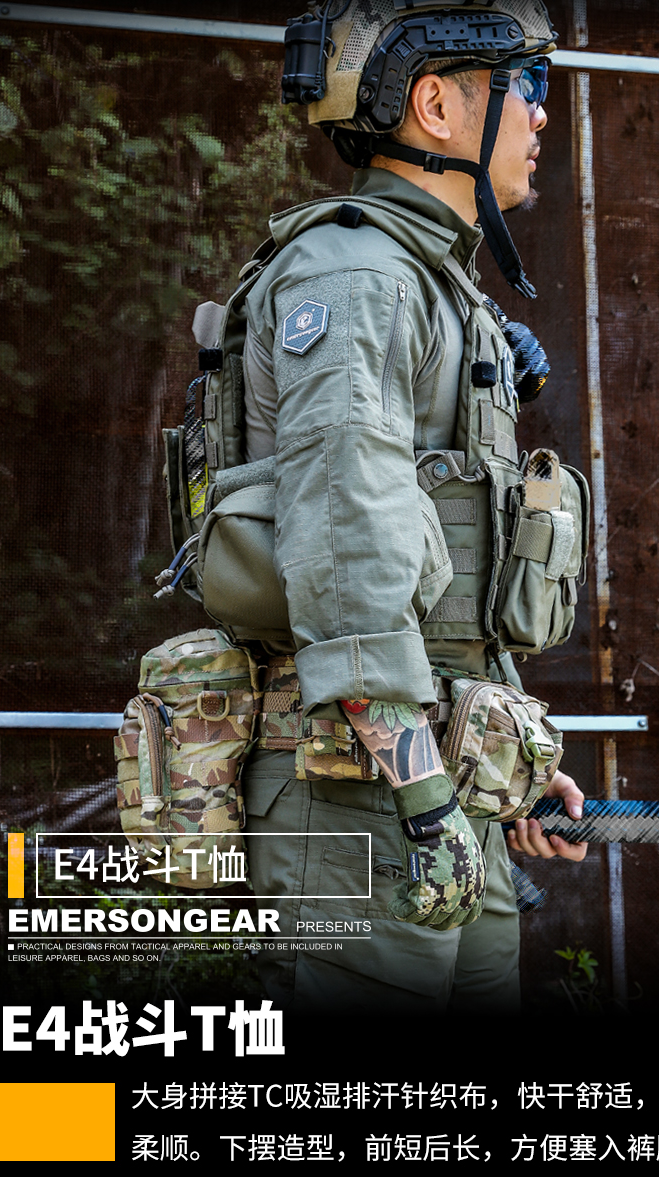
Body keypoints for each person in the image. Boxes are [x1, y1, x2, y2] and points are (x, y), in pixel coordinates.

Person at [235, 0, 587, 1015]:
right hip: (363, 800)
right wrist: (428, 797)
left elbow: (455, 578)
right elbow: (348, 552)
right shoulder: (358, 277)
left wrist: (505, 761)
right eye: (527, 85)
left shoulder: (431, 284)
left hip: (432, 789)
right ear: (435, 105)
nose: (542, 114)